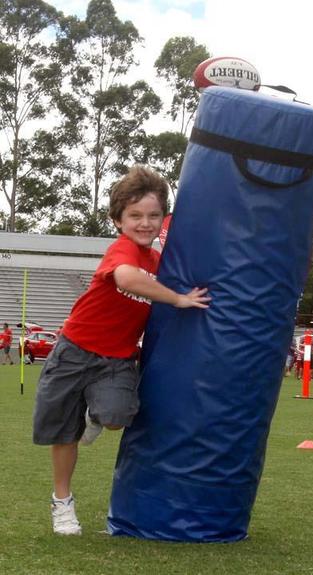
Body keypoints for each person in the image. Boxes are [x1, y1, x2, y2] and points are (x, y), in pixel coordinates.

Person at [33, 165, 211, 536]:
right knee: (63, 435)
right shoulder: (123, 249)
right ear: (118, 220)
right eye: (135, 216)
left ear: (163, 218)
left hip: (116, 358)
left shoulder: (160, 262)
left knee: (115, 416)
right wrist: (177, 299)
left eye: (153, 215)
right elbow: (126, 278)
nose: (144, 223)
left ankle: (94, 418)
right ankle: (62, 501)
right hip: (75, 349)